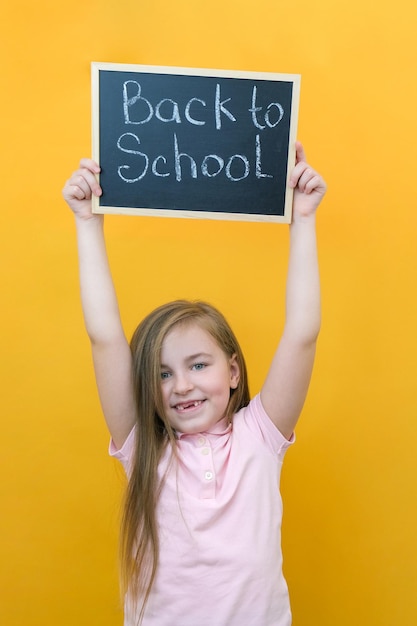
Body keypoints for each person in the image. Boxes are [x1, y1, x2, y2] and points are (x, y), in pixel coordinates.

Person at [62, 142, 326, 626]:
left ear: (233, 372)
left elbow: (303, 333)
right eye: (162, 373)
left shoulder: (259, 438)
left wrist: (303, 220)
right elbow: (104, 337)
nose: (181, 385)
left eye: (198, 365)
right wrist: (87, 223)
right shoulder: (144, 448)